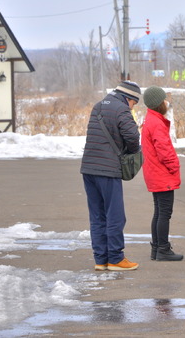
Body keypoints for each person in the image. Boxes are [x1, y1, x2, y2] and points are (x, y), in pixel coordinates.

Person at [80, 81, 142, 271]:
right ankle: (115, 258)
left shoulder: (98, 106)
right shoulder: (122, 110)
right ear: (128, 98)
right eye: (134, 103)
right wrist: (132, 152)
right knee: (115, 215)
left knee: (97, 215)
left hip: (89, 168)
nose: (133, 107)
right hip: (108, 170)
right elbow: (132, 137)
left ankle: (101, 259)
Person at [141, 85, 183, 261]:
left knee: (159, 212)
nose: (167, 102)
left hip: (154, 173)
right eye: (164, 99)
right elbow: (164, 150)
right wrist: (174, 166)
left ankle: (157, 248)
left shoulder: (151, 119)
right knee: (164, 212)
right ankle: (163, 249)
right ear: (159, 103)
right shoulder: (156, 123)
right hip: (161, 173)